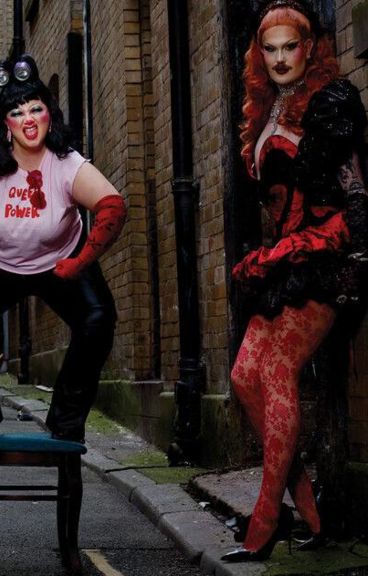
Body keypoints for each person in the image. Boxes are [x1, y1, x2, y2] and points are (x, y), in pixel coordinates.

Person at [224, 0, 368, 562]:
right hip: (285, 257)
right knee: (242, 377)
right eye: (271, 48)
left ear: (310, 49)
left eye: (292, 46)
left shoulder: (331, 102)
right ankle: (308, 513)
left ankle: (263, 524)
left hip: (325, 250)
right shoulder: (265, 108)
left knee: (277, 367)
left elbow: (354, 186)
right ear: (260, 54)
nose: (281, 58)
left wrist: (356, 257)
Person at [0, 54, 124, 443]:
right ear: (6, 124)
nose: (28, 118)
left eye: (36, 109)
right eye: (17, 112)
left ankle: (66, 421)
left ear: (48, 116)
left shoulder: (66, 163)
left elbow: (112, 206)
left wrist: (82, 262)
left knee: (98, 318)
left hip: (60, 264)